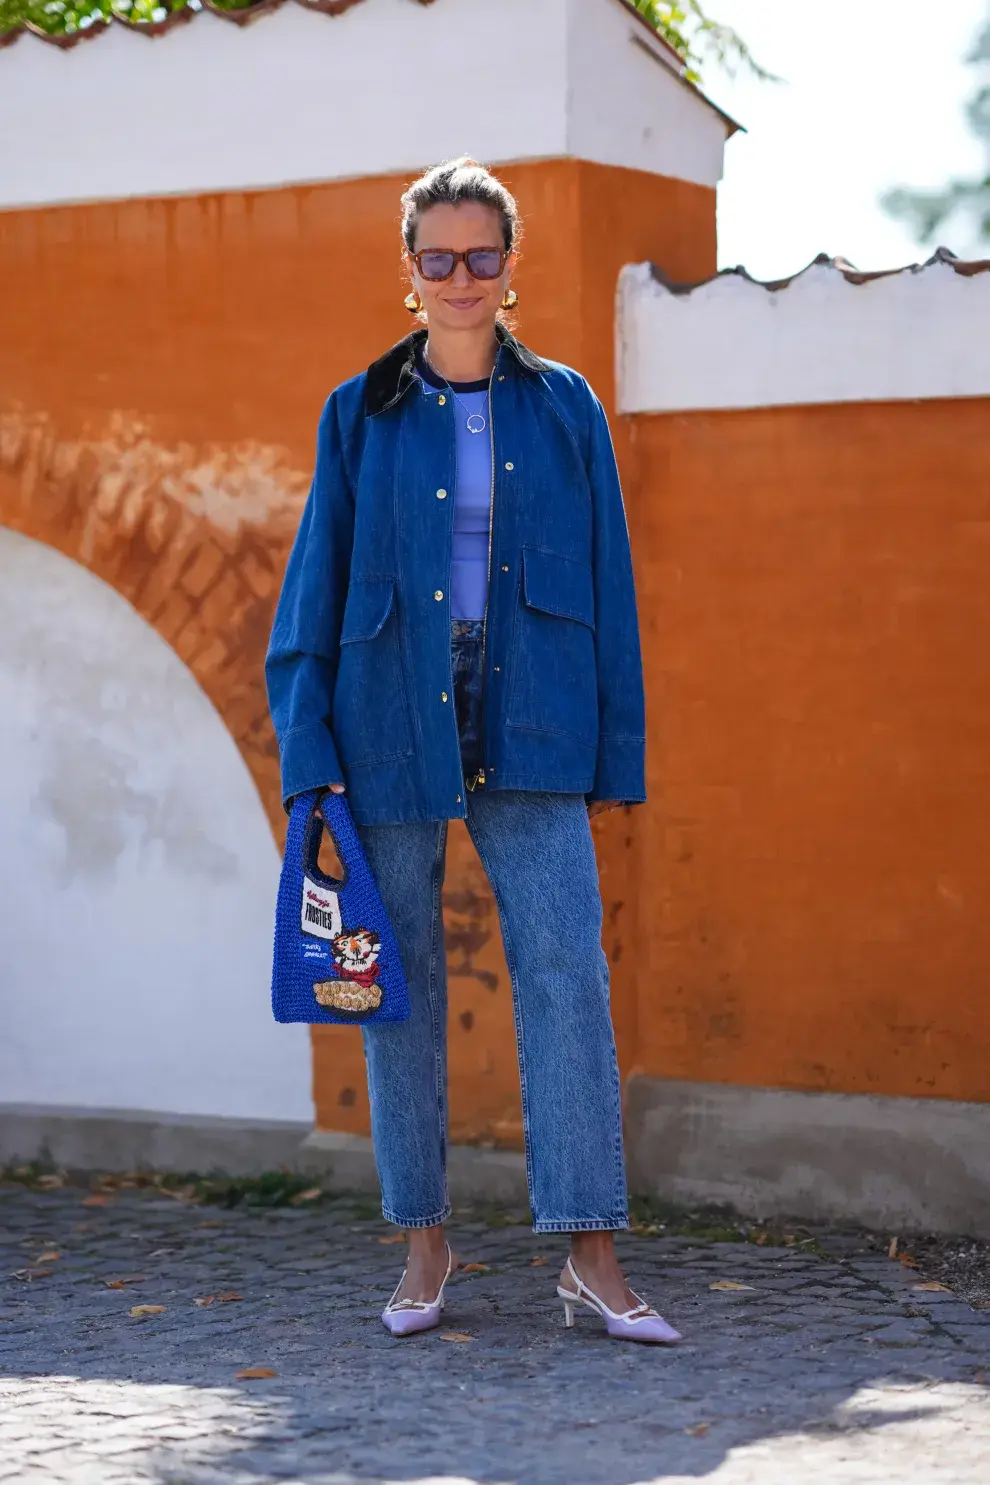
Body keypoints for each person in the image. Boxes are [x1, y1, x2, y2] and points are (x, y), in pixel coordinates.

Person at [265, 157, 680, 1345]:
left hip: (536, 704)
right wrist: (309, 751)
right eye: (437, 258)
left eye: (481, 256)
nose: (460, 277)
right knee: (398, 991)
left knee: (567, 975)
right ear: (409, 273)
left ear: (511, 267)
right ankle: (423, 1245)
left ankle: (590, 1253)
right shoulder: (361, 411)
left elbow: (610, 585)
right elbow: (314, 588)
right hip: (386, 705)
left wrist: (617, 752)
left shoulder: (566, 408)